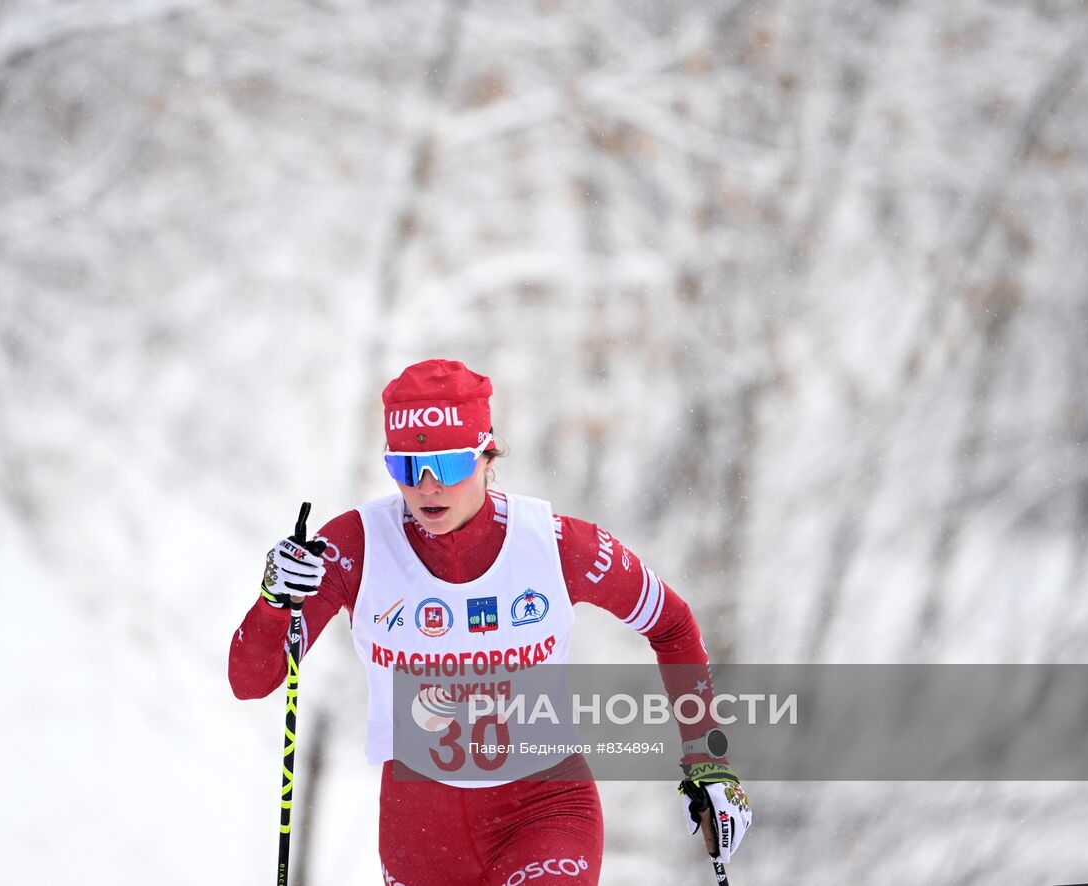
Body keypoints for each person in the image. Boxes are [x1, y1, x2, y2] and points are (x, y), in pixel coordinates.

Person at [229, 359, 751, 885]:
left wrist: (707, 758)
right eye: (408, 467)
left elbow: (672, 624)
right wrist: (275, 599)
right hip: (420, 835)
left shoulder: (558, 545)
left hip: (546, 810)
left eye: (449, 465)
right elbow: (251, 680)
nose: (428, 488)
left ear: (486, 453)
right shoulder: (354, 547)